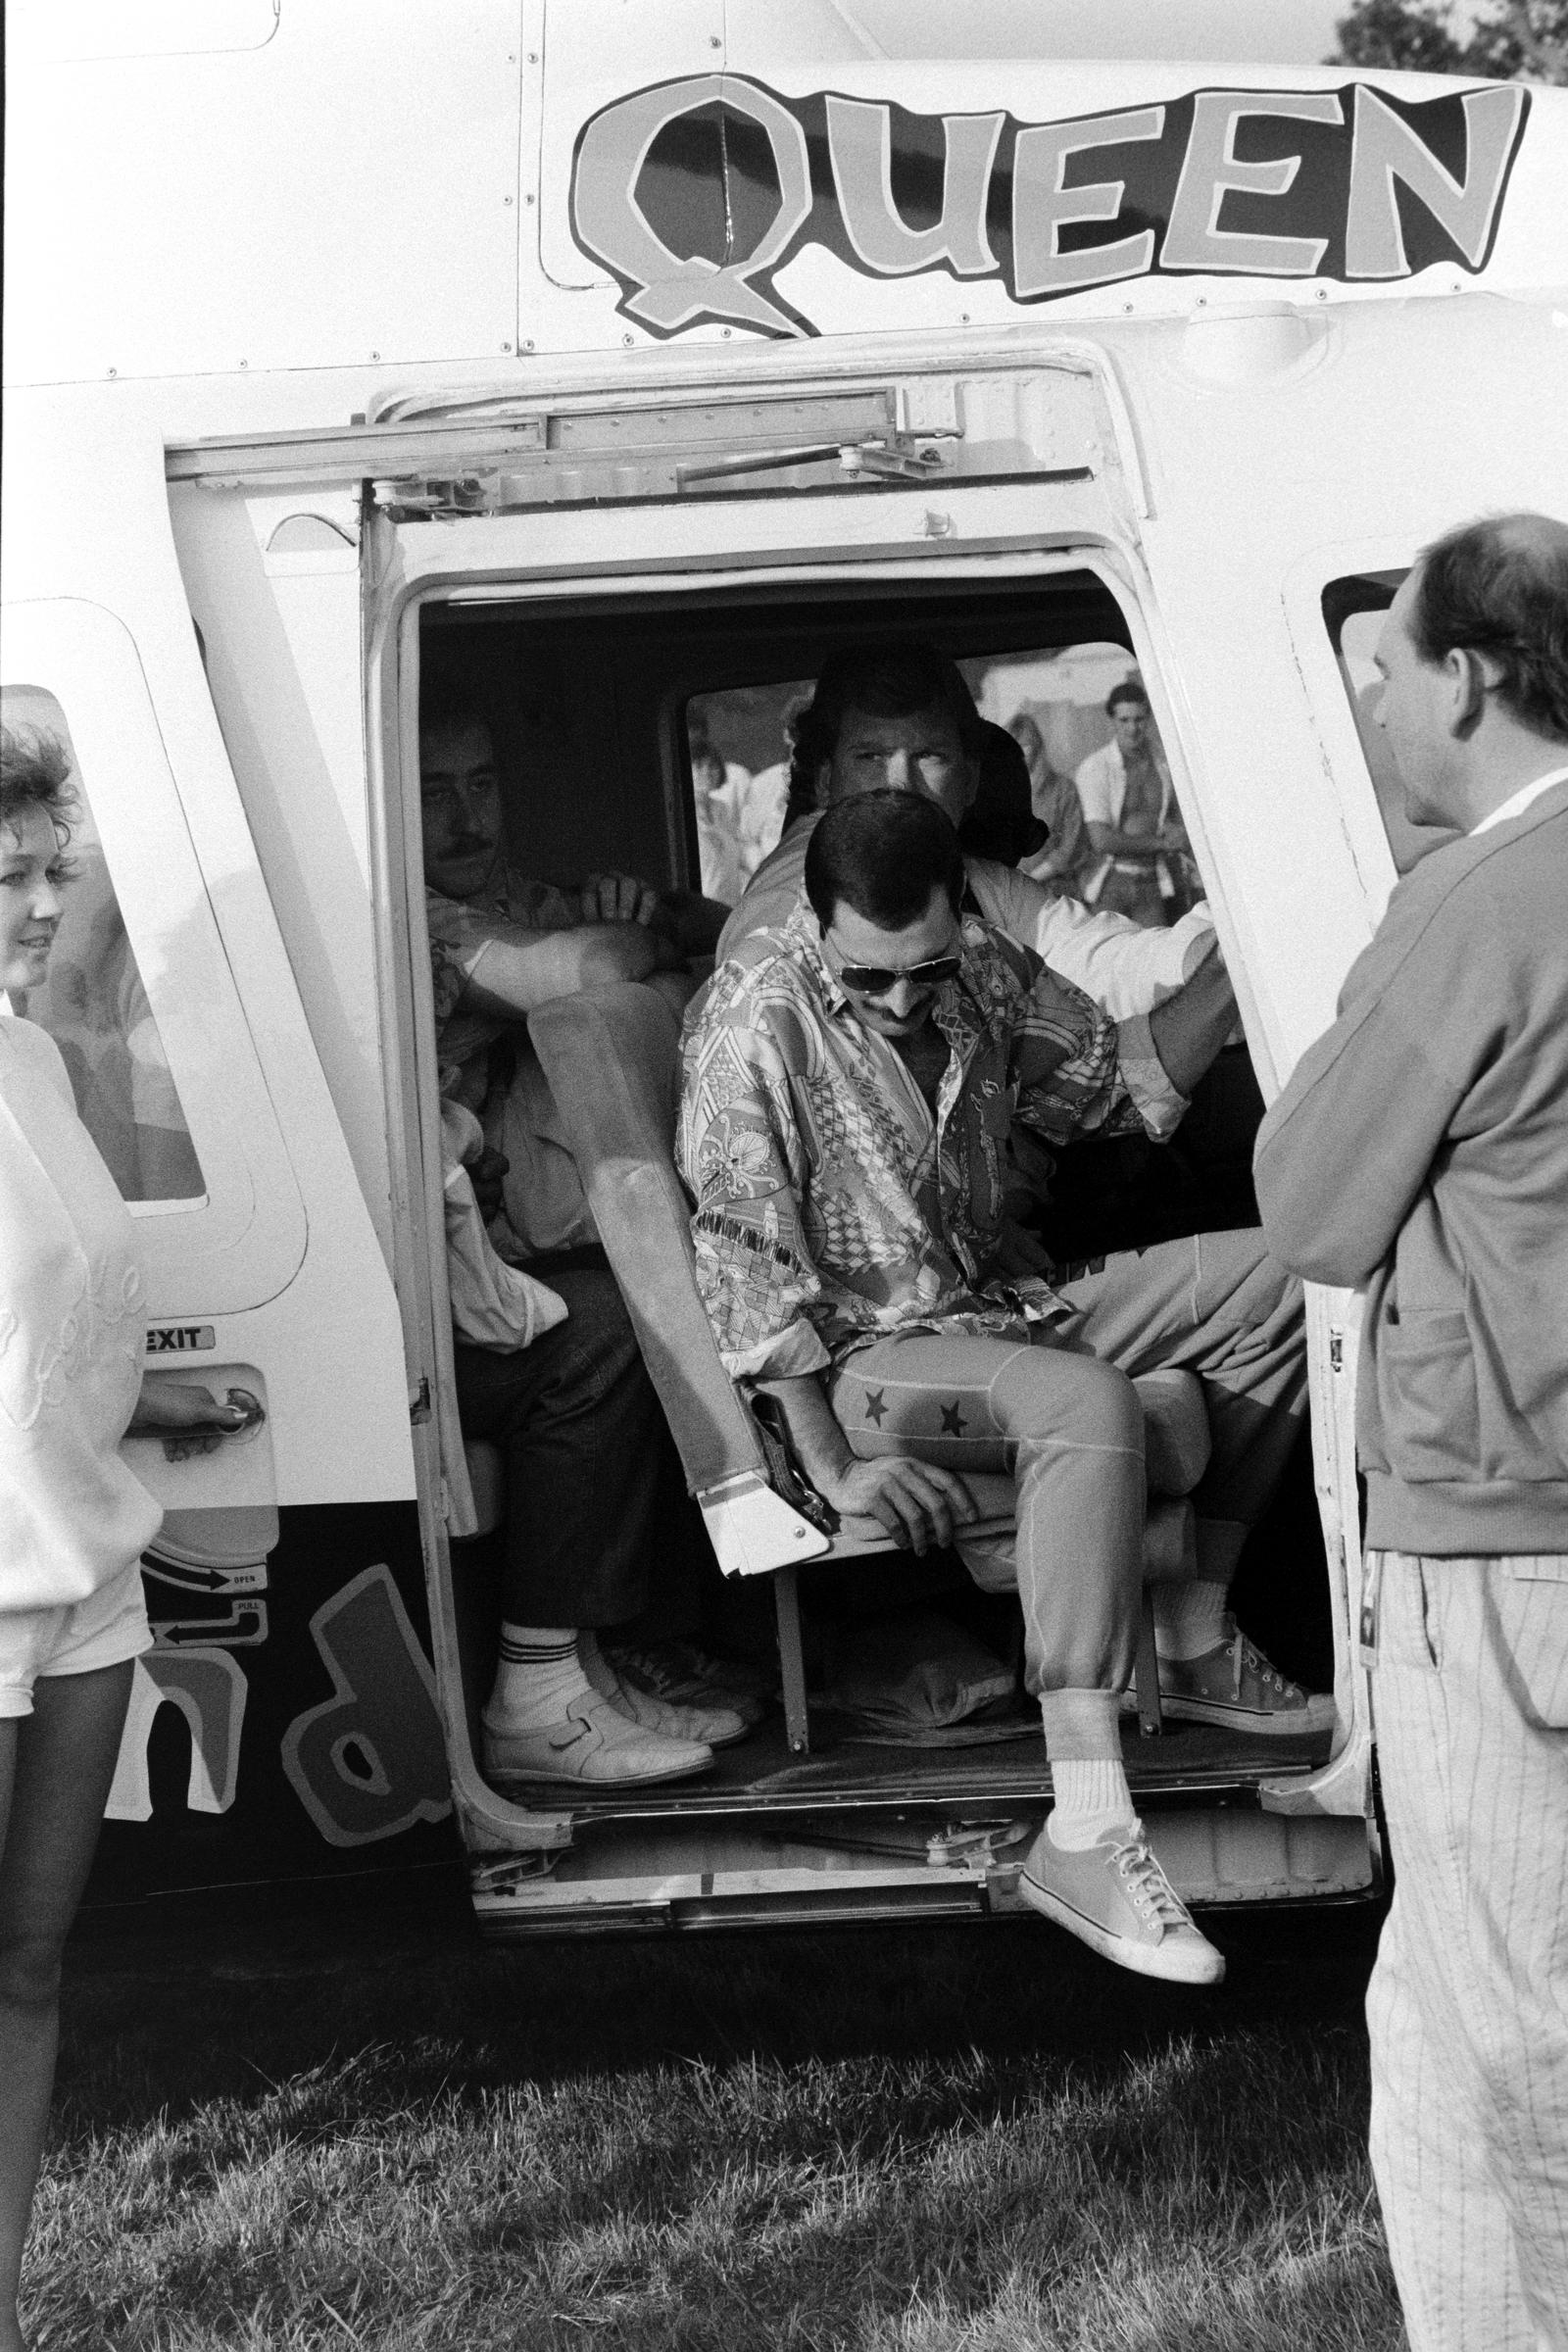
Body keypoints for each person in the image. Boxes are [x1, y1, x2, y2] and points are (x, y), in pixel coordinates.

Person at [682, 791, 1325, 1982]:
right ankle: (1085, 1822)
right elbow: (742, 1263)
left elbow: (1116, 1093)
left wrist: (1239, 953)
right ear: (816, 921)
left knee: (1290, 1273)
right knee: (1085, 1403)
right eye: (865, 978)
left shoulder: (983, 967)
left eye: (921, 970)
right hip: (868, 1361)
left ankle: (1187, 1630)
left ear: (959, 919)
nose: (898, 1002)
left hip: (997, 1309)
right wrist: (832, 1463)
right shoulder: (750, 1017)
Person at [1254, 514, 1568, 2352]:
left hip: (1505, 1528)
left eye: (1384, 669)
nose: (1371, 708)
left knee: (1516, 2014)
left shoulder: (1476, 896)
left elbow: (1310, 1203)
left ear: (1469, 673)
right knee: (1438, 2016)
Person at [0, 726, 254, 2352]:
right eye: (6, 878)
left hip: (87, 1587)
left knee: (26, 1975)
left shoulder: (31, 1060)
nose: (42, 904)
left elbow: (47, 1323)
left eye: (48, 872)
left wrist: (150, 1406)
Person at [417, 683, 760, 1788]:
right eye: (430, 795)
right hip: (403, 1285)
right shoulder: (408, 904)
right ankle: (539, 1690)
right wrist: (611, 928)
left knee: (643, 1287)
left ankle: (595, 1662)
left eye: (481, 786)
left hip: (466, 1251)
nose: (466, 820)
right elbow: (590, 965)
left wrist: (632, 905)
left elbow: (619, 926)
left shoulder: (499, 890)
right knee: (610, 1326)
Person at [715, 640, 1221, 1026]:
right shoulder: (789, 907)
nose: (900, 785)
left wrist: (1221, 943)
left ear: (971, 780)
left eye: (928, 756)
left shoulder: (970, 878)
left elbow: (1100, 962)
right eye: (870, 757)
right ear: (827, 779)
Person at [1075, 680, 1197, 928]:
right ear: (1112, 720)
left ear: (1148, 719)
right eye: (1124, 720)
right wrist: (1163, 843)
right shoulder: (1096, 767)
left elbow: (1175, 818)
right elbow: (1101, 840)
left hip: (1154, 881)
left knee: (1156, 957)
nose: (1132, 728)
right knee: (1108, 958)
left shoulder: (1165, 762)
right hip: (1110, 882)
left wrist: (1176, 831)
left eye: (1139, 719)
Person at [1006, 710, 1091, 894]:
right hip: (1010, 893)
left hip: (1055, 890)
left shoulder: (1063, 789)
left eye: (1025, 745)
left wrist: (1031, 880)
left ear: (1036, 747)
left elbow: (1072, 846)